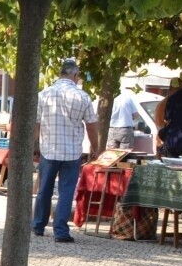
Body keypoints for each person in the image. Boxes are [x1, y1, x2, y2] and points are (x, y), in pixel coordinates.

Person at [33, 58, 99, 243]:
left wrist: (35, 145)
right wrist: (95, 147)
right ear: (75, 76)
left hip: (49, 148)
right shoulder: (82, 96)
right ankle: (61, 231)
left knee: (44, 189)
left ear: (60, 74)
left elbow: (36, 123)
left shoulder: (44, 94)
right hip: (72, 151)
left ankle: (38, 225)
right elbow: (91, 125)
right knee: (66, 191)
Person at [107, 83, 141, 151]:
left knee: (112, 152)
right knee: (124, 152)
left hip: (112, 129)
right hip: (125, 130)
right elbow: (135, 114)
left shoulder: (115, 99)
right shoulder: (129, 100)